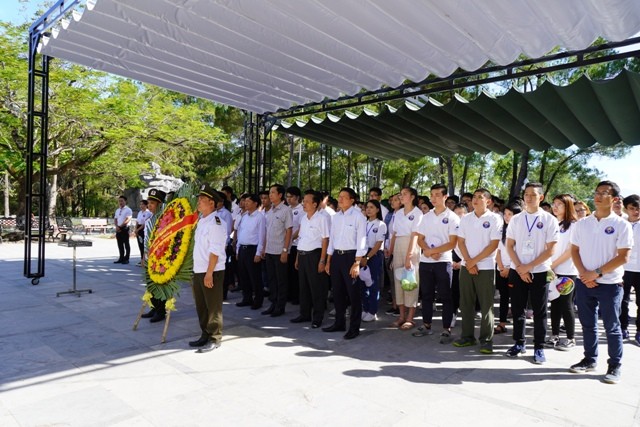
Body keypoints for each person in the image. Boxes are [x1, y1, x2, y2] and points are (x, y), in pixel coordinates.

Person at [569, 181, 632, 383]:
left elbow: (623, 257)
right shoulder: (582, 223)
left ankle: (614, 365)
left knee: (612, 327)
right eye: (596, 192)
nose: (598, 196)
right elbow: (574, 251)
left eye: (604, 193)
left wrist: (595, 273)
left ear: (613, 199)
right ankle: (589, 359)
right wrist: (583, 274)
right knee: (588, 325)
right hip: (584, 283)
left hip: (610, 285)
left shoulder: (622, 224)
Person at [505, 182, 559, 364]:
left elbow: (551, 250)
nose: (528, 197)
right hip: (517, 270)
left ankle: (539, 347)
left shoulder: (549, 220)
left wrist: (528, 267)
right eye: (526, 194)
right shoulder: (516, 219)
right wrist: (520, 267)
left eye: (533, 195)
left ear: (541, 197)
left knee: (539, 311)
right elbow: (509, 245)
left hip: (540, 271)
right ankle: (519, 343)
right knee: (518, 309)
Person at [453, 188, 503, 353]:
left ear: (488, 201)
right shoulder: (466, 218)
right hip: (467, 267)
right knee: (466, 303)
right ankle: (467, 337)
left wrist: (474, 261)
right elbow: (460, 242)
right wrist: (469, 262)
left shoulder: (495, 218)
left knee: (486, 305)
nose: (475, 200)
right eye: (473, 197)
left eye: (479, 197)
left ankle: (486, 340)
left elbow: (493, 245)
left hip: (486, 267)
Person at [414, 184, 460, 344]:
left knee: (446, 295)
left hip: (443, 262)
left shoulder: (453, 217)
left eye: (437, 195)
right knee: (426, 295)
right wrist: (428, 251)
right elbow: (419, 239)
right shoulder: (425, 217)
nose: (434, 198)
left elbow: (453, 243)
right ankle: (426, 325)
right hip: (426, 261)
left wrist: (435, 252)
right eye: (432, 195)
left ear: (445, 197)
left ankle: (447, 328)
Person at [323, 187, 367, 339]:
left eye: (344, 197)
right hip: (337, 256)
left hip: (351, 257)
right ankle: (339, 323)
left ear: (352, 200)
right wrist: (328, 260)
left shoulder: (358, 216)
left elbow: (362, 241)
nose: (339, 199)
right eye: (339, 196)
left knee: (353, 294)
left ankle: (354, 328)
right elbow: (332, 240)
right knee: (338, 292)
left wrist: (357, 263)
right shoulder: (336, 217)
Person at [189, 185, 227, 353]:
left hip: (211, 270)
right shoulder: (202, 220)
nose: (198, 202)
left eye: (202, 200)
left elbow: (215, 250)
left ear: (211, 203)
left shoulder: (217, 223)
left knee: (213, 306)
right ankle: (205, 333)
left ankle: (214, 337)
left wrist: (209, 273)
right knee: (201, 305)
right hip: (199, 269)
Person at [292, 190, 330, 328]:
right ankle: (304, 314)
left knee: (317, 288)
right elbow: (301, 238)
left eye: (307, 201)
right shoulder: (303, 218)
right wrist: (297, 258)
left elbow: (325, 240)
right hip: (302, 254)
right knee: (303, 287)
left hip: (315, 255)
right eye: (304, 201)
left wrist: (322, 260)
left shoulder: (322, 218)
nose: (304, 203)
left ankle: (317, 317)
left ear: (315, 204)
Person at [546, 194, 579, 351]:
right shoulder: (553, 223)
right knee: (554, 304)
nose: (555, 206)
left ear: (568, 206)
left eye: (560, 204)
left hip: (567, 271)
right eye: (554, 203)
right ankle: (554, 335)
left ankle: (571, 338)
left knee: (566, 305)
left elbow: (570, 251)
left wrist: (553, 265)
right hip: (552, 271)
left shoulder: (574, 226)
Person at [388, 186, 422, 331]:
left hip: (411, 246)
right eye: (400, 194)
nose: (401, 197)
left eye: (404, 194)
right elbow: (395, 233)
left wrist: (409, 256)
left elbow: (415, 235)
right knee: (399, 281)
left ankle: (410, 318)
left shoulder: (418, 213)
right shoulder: (399, 213)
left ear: (412, 196)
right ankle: (401, 316)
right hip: (398, 246)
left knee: (410, 280)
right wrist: (390, 251)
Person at [261, 184, 293, 317]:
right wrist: (264, 247)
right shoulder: (269, 212)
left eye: (273, 192)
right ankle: (273, 304)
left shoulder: (286, 210)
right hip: (269, 250)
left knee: (281, 280)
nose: (270, 195)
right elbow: (268, 232)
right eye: (270, 192)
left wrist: (285, 250)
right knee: (272, 279)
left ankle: (280, 306)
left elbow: (289, 230)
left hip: (280, 251)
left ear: (280, 195)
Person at [494, 200, 523, 334]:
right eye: (505, 214)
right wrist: (501, 268)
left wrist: (509, 269)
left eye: (510, 214)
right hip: (501, 269)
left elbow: (518, 253)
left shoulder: (521, 232)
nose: (506, 217)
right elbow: (498, 251)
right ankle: (502, 323)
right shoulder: (502, 231)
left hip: (515, 269)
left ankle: (518, 328)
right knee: (503, 298)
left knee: (517, 300)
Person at [234, 194, 266, 310]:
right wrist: (237, 249)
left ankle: (258, 300)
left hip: (253, 249)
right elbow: (240, 233)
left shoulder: (260, 217)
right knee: (244, 276)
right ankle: (246, 298)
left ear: (255, 203)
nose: (245, 203)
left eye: (248, 201)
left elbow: (262, 235)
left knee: (255, 277)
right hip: (242, 249)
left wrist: (259, 252)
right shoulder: (244, 216)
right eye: (245, 201)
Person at [140, 189, 167, 321]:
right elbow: (146, 240)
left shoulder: (164, 220)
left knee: (159, 284)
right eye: (148, 202)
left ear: (160, 204)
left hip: (160, 257)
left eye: (152, 203)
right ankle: (154, 307)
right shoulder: (150, 218)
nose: (149, 205)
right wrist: (144, 256)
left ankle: (161, 311)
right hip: (149, 256)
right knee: (151, 284)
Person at [360, 200, 387, 322]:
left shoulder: (381, 224)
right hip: (361, 252)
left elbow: (378, 244)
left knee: (373, 284)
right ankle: (365, 308)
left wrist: (367, 258)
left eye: (372, 207)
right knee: (361, 283)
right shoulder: (362, 223)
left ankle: (372, 311)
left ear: (377, 209)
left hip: (374, 255)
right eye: (367, 207)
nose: (368, 210)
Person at [620, 195, 640, 345]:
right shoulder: (621, 224)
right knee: (622, 301)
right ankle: (623, 328)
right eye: (632, 208)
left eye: (638, 208)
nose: (636, 211)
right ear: (626, 209)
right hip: (623, 269)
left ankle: (639, 331)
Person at [286, 186, 304, 305]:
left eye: (291, 197)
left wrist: (291, 237)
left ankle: (297, 296)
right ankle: (290, 294)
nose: (288, 199)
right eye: (287, 197)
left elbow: (301, 227)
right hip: (287, 245)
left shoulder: (302, 210)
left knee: (295, 272)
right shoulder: (287, 209)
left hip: (296, 244)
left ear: (297, 197)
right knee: (288, 272)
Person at [113, 195, 132, 264]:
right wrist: (117, 226)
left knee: (126, 243)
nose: (120, 202)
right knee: (120, 244)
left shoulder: (128, 210)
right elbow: (115, 219)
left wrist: (120, 227)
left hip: (125, 228)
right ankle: (121, 257)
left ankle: (126, 258)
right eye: (119, 201)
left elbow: (128, 219)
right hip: (118, 228)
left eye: (122, 201)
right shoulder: (117, 210)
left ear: (125, 201)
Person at [134, 200, 152, 265]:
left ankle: (145, 259)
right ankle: (142, 258)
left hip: (143, 229)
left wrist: (138, 229)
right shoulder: (140, 212)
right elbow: (137, 221)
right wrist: (135, 229)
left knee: (144, 245)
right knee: (140, 245)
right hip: (138, 228)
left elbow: (144, 223)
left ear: (146, 205)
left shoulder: (148, 213)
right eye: (140, 204)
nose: (141, 206)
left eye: (143, 204)